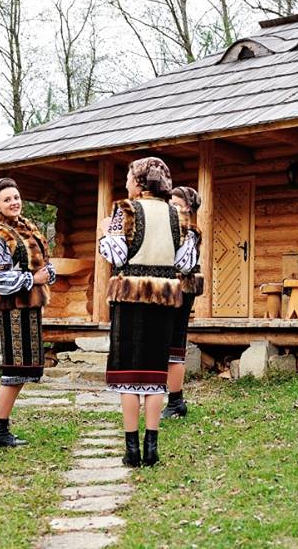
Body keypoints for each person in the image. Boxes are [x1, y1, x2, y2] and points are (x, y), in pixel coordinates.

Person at [98, 158, 199, 467]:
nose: (127, 182)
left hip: (130, 299)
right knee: (156, 377)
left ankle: (131, 450)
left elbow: (114, 253)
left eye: (130, 177)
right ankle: (152, 448)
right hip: (165, 300)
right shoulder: (178, 215)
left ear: (139, 182)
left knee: (130, 376)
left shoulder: (124, 210)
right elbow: (186, 262)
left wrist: (104, 234)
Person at [0, 178, 55, 447]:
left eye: (16, 196)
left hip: (31, 306)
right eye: (7, 199)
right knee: (14, 368)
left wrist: (47, 274)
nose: (14, 202)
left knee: (25, 368)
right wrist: (32, 280)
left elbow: (42, 265)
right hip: (13, 308)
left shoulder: (28, 229)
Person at [162, 186, 203, 419]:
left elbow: (185, 265)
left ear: (188, 207)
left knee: (174, 346)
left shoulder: (190, 231)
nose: (172, 207)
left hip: (180, 292)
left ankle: (176, 401)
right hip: (161, 291)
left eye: (176, 204)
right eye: (170, 203)